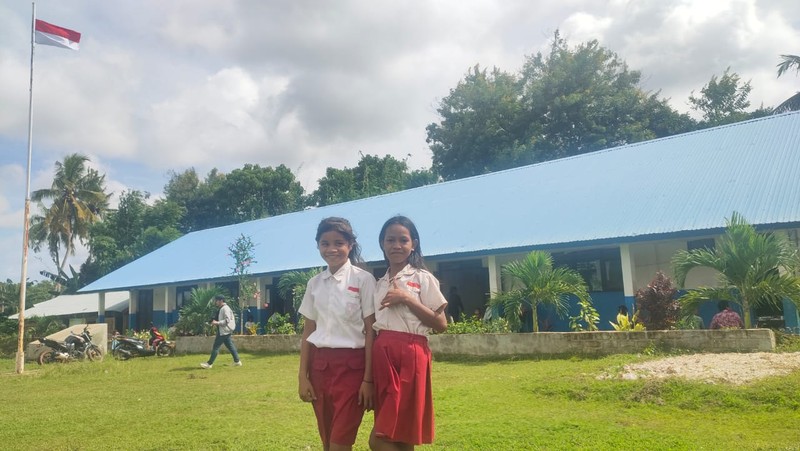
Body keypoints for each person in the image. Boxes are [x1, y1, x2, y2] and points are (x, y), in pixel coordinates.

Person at [298, 217, 376, 451]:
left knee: (340, 443)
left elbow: (371, 331)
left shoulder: (363, 280)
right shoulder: (314, 283)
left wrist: (368, 379)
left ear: (350, 245)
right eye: (325, 243)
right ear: (318, 246)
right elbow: (308, 331)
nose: (331, 249)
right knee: (327, 440)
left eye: (339, 243)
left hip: (353, 369)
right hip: (320, 367)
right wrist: (303, 376)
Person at [370, 215, 448, 451]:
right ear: (382, 244)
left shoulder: (423, 278)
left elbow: (441, 324)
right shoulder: (379, 283)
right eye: (390, 240)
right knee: (398, 433)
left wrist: (406, 298)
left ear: (413, 243)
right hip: (383, 353)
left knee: (380, 439)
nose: (396, 245)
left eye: (403, 240)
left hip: (411, 353)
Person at [200, 295, 242, 368]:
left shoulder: (225, 308)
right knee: (230, 346)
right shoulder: (222, 308)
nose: (215, 302)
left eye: (217, 300)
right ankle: (237, 361)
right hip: (225, 331)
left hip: (223, 331)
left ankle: (209, 364)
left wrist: (217, 323)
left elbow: (227, 320)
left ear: (221, 301)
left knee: (216, 347)